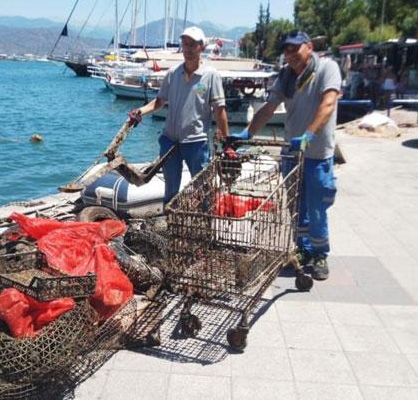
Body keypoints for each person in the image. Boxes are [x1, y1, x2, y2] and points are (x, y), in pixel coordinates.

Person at [227, 30, 341, 281]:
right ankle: (302, 250)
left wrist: (310, 135)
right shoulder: (286, 76)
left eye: (295, 48)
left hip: (318, 153)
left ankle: (320, 254)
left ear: (309, 47)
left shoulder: (327, 68)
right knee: (296, 207)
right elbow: (268, 108)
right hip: (291, 152)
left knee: (317, 206)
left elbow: (329, 103)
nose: (290, 55)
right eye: (286, 50)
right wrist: (247, 132)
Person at [128, 26, 228, 205]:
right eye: (185, 44)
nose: (188, 49)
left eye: (192, 45)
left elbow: (220, 110)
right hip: (169, 140)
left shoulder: (210, 76)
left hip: (196, 142)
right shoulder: (173, 73)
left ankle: (206, 225)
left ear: (202, 47)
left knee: (204, 189)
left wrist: (227, 142)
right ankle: (170, 223)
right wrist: (140, 111)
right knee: (171, 190)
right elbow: (159, 101)